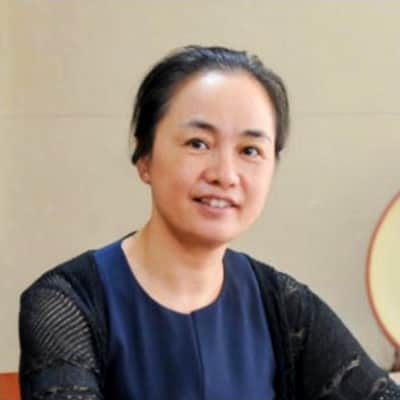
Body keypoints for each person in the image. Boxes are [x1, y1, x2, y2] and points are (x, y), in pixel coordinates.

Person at [18, 46, 400, 400]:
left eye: (250, 150)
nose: (225, 174)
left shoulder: (285, 306)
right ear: (144, 157)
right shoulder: (65, 305)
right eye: (198, 143)